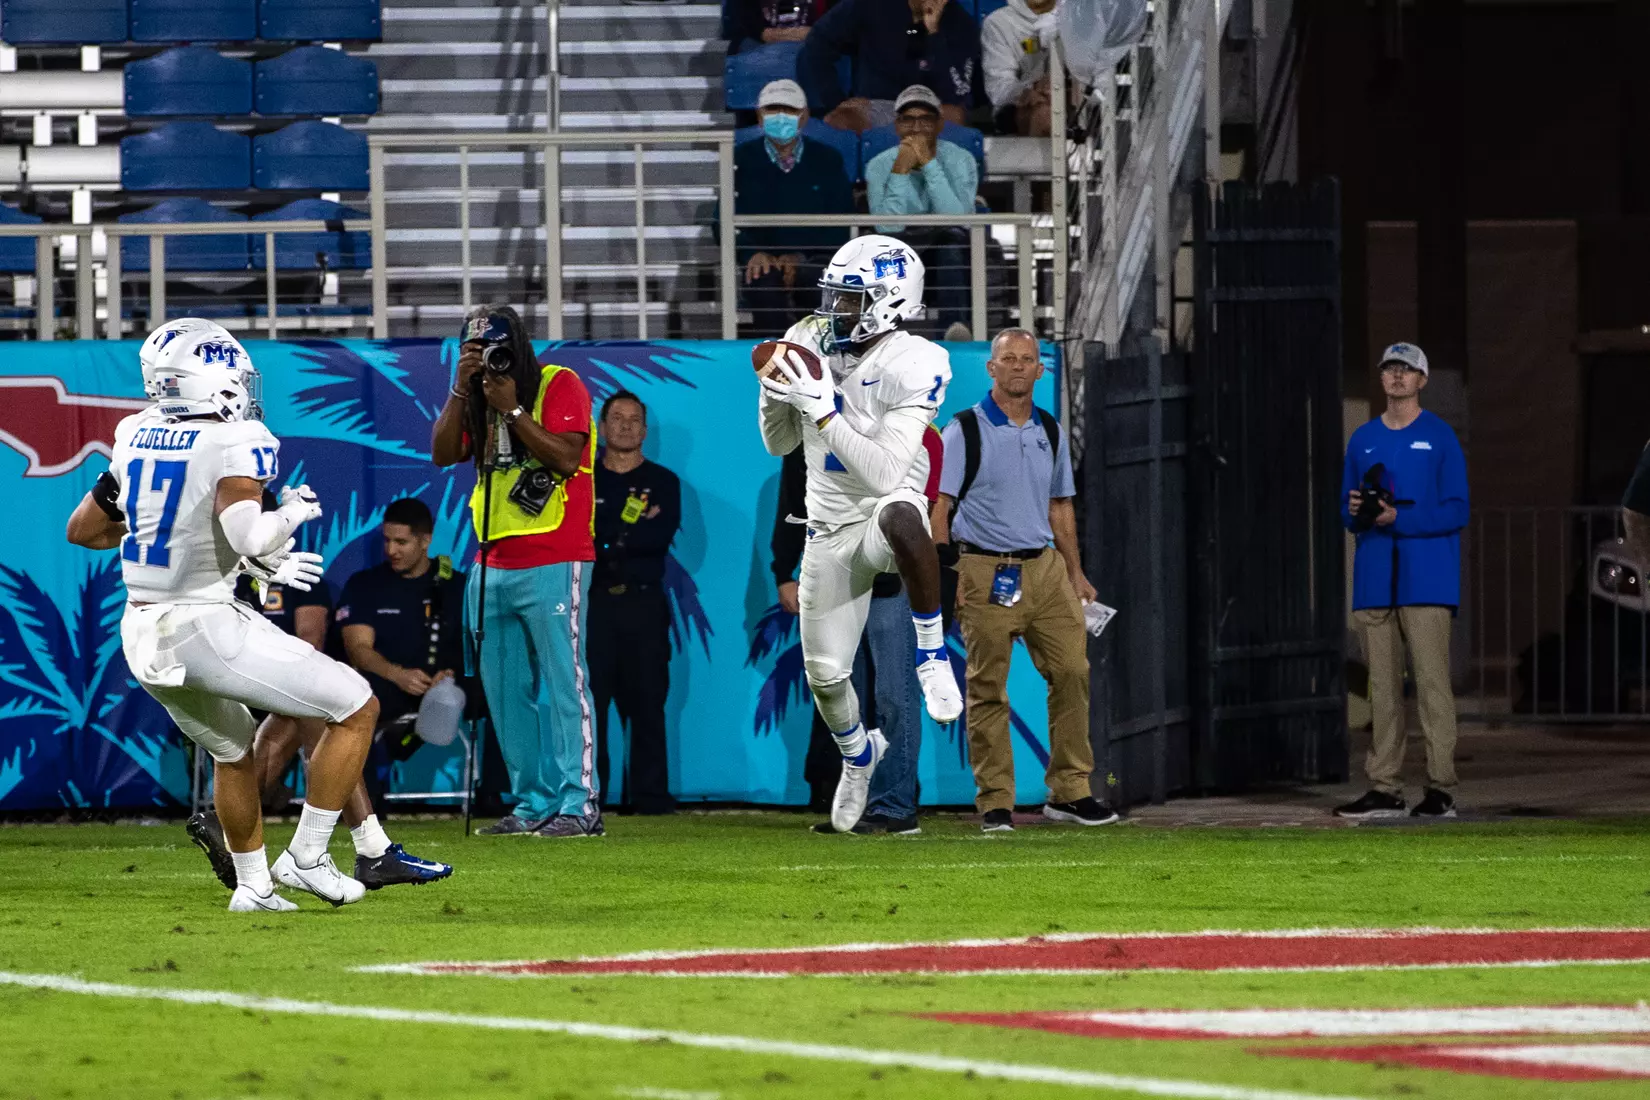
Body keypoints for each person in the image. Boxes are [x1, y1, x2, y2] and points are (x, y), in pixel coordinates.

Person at [67, 322, 379, 911]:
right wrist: (288, 515)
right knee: (356, 706)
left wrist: (169, 527)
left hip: (141, 633)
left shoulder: (134, 433)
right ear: (212, 379)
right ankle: (308, 856)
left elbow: (81, 530)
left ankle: (253, 887)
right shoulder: (237, 440)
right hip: (203, 625)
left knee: (233, 749)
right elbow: (248, 531)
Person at [757, 233, 964, 833]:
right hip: (827, 530)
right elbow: (778, 443)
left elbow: (882, 472)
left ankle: (931, 653)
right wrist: (776, 397)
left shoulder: (918, 361)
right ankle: (857, 756)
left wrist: (824, 409)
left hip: (880, 511)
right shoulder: (805, 339)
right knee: (825, 677)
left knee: (904, 514)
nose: (834, 310)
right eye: (834, 296)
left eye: (849, 299)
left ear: (889, 301)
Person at [186, 514, 454, 892]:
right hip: (216, 663)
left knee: (310, 713)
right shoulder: (232, 565)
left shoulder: (201, 554)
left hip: (169, 654)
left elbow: (85, 528)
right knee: (334, 707)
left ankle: (248, 834)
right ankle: (356, 851)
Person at [931, 327, 1115, 832]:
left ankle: (1071, 791)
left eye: (1026, 359)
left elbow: (1061, 506)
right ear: (991, 368)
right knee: (988, 688)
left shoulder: (1050, 430)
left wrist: (1076, 573)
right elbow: (939, 507)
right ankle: (995, 801)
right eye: (1007, 358)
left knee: (1073, 673)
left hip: (1046, 568)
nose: (1017, 366)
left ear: (1040, 369)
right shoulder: (963, 430)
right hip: (982, 568)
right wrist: (950, 576)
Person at [431, 304, 604, 838]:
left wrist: (511, 411)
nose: (491, 365)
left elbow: (566, 458)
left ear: (520, 345)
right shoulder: (476, 396)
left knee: (564, 684)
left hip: (556, 554)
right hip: (490, 560)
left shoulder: (559, 383)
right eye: (478, 354)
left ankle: (580, 806)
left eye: (497, 351)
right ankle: (532, 802)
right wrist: (463, 390)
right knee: (505, 692)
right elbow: (442, 454)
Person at [773, 439, 942, 834]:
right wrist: (783, 570)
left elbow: (922, 512)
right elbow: (793, 502)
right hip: (836, 577)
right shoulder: (814, 428)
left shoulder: (912, 428)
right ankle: (853, 805)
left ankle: (896, 806)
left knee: (894, 693)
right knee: (844, 688)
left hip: (891, 580)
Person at [1334, 342, 1469, 820]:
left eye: (1406, 370)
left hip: (1426, 580)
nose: (1396, 377)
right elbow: (1346, 510)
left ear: (1422, 380)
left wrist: (1399, 518)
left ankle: (1441, 788)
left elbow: (1458, 509)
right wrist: (1358, 512)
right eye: (1390, 369)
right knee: (1383, 690)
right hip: (1375, 579)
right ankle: (1385, 787)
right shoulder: (1363, 439)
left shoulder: (1440, 437)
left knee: (1432, 685)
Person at [589, 391, 681, 814]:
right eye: (617, 418)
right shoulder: (583, 480)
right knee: (592, 706)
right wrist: (617, 540)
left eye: (634, 419)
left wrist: (609, 540)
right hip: (593, 608)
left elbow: (655, 540)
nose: (626, 426)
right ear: (602, 427)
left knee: (648, 701)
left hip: (643, 607)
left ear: (644, 430)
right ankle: (590, 796)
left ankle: (649, 797)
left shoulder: (664, 482)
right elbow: (586, 545)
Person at [735, 79, 856, 336]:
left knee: (817, 282)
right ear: (759, 116)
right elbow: (722, 219)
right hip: (762, 260)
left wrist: (799, 258)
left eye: (789, 110)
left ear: (804, 117)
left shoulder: (828, 159)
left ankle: (824, 361)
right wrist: (752, 254)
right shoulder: (739, 159)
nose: (780, 117)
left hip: (814, 259)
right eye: (772, 110)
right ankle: (777, 362)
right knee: (763, 281)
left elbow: (841, 222)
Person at [865, 85, 976, 338]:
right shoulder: (879, 165)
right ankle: (882, 337)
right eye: (908, 120)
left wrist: (928, 164)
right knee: (886, 252)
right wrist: (900, 171)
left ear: (939, 124)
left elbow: (957, 220)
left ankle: (954, 331)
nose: (916, 128)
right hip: (901, 246)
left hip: (946, 249)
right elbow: (888, 227)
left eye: (925, 120)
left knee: (951, 248)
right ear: (897, 126)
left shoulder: (962, 160)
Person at [798, 0, 980, 133]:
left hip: (933, 110)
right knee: (841, 118)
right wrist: (834, 101)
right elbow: (819, 40)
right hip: (880, 106)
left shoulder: (962, 25)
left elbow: (954, 95)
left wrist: (933, 36)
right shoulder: (871, 5)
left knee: (955, 116)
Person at [981, 0, 1056, 135]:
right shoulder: (998, 23)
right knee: (1044, 115)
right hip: (1018, 108)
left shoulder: (1077, 18)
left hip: (1072, 104)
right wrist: (1028, 90)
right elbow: (999, 87)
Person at [727, 0, 837, 54]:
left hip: (815, 44)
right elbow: (743, 23)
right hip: (760, 43)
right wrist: (767, 34)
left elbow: (836, 22)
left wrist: (814, 34)